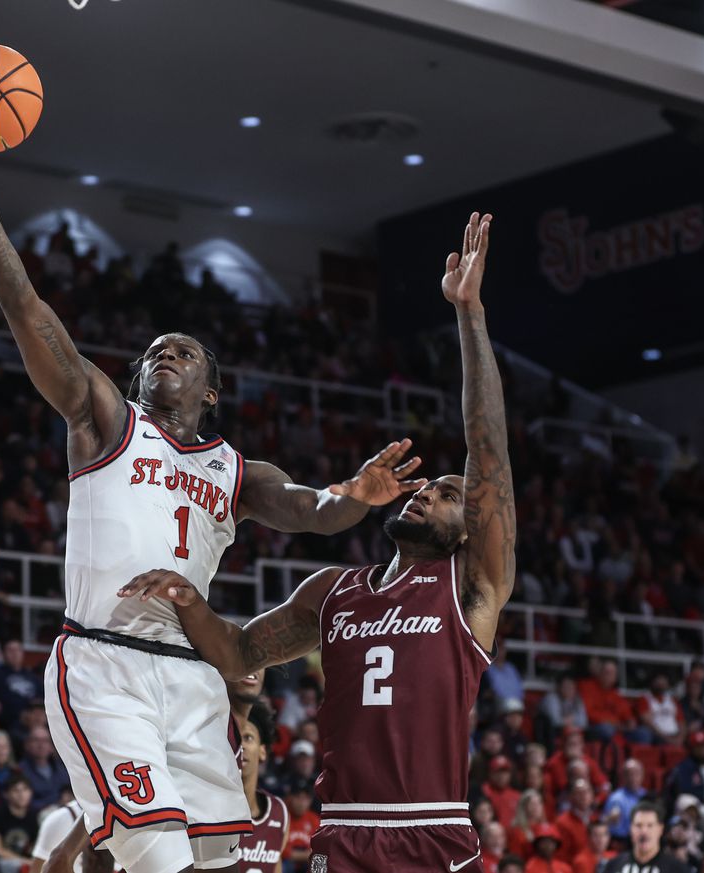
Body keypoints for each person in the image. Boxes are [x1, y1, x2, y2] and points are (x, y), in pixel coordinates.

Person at [0, 84, 426, 873]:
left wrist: (352, 498)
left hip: (192, 673)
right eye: (155, 349)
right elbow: (23, 304)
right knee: (156, 859)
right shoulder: (106, 419)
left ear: (212, 390)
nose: (165, 354)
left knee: (218, 863)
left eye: (183, 350)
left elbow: (309, 511)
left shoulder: (234, 469)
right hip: (104, 661)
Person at [120, 212, 510, 872]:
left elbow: (488, 445)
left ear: (469, 526)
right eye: (427, 485)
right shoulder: (333, 592)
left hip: (430, 831)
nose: (428, 492)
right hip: (344, 834)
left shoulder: (470, 586)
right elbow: (242, 650)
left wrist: (468, 313)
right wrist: (189, 601)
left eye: (447, 493)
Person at [237, 701, 289, 873]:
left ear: (263, 751)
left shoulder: (279, 813)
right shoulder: (210, 810)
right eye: (235, 739)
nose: (240, 745)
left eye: (248, 737)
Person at [603, 802, 689, 873]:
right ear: (630, 829)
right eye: (638, 825)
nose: (644, 831)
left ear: (660, 829)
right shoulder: (614, 865)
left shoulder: (677, 869)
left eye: (650, 825)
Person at [0, 773, 39, 873]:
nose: (21, 795)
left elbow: (35, 847)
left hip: (23, 863)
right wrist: (25, 862)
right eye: (16, 790)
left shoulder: (33, 816)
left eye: (25, 790)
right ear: (6, 794)